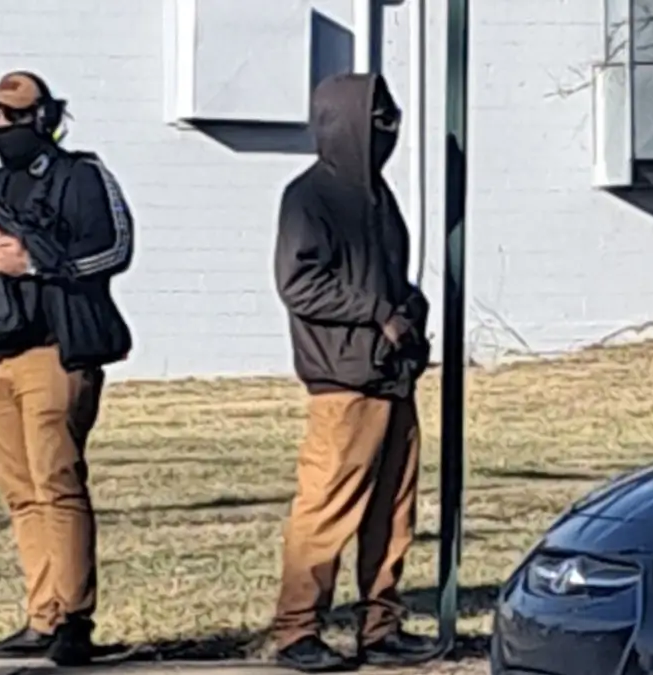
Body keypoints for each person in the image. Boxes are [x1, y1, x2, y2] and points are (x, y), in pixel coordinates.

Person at [0, 70, 134, 667]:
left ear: (46, 118)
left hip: (54, 351)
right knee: (21, 494)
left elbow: (115, 249)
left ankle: (73, 618)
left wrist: (35, 263)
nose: (3, 126)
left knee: (57, 484)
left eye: (15, 116)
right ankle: (41, 615)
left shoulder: (82, 176)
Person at [270, 72, 435, 673]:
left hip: (393, 378)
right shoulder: (308, 196)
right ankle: (297, 631)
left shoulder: (380, 198)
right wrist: (375, 313)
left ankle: (381, 626)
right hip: (342, 381)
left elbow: (387, 280)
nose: (388, 130)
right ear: (344, 124)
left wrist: (408, 309)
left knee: (394, 509)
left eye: (391, 118)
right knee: (326, 507)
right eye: (376, 119)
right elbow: (299, 282)